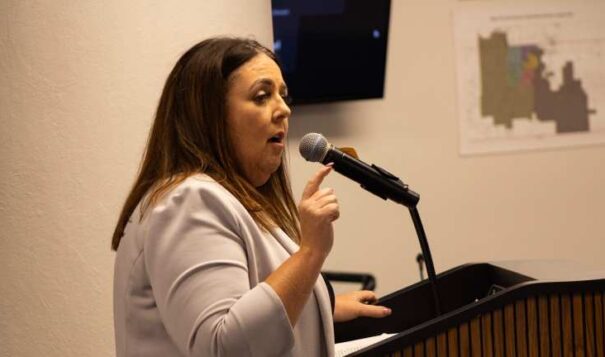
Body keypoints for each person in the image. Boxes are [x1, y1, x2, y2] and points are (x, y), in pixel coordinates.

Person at [111, 37, 391, 357]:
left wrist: (319, 307)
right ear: (210, 115)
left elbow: (247, 300)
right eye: (262, 96)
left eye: (283, 96)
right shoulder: (190, 203)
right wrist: (311, 252)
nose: (284, 109)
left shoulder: (230, 197)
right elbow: (225, 347)